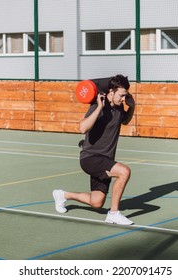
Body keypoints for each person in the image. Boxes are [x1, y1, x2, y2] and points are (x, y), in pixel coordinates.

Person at [53, 74, 136, 225]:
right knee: (124, 172)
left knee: (96, 202)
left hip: (105, 159)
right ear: (111, 92)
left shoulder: (118, 109)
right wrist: (99, 107)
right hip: (91, 158)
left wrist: (132, 106)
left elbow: (125, 120)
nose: (123, 98)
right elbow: (82, 127)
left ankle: (62, 195)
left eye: (126, 95)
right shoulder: (97, 107)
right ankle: (114, 213)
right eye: (121, 95)